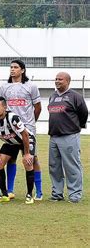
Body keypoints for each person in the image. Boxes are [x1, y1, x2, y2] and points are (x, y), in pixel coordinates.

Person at [0, 59, 42, 200]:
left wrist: (29, 124)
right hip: (11, 130)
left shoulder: (31, 86)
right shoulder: (5, 87)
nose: (12, 69)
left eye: (16, 67)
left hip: (27, 129)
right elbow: (2, 107)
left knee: (31, 158)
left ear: (22, 70)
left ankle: (39, 192)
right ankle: (10, 190)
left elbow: (38, 107)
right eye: (11, 67)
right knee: (10, 159)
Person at [0, 96, 37, 204]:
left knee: (27, 162)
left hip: (26, 140)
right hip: (10, 142)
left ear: (5, 107)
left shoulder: (13, 118)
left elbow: (24, 134)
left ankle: (29, 195)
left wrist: (27, 153)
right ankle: (5, 195)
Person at [48, 72, 88, 203]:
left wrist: (77, 127)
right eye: (56, 78)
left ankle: (75, 195)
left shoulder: (75, 96)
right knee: (54, 167)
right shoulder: (52, 96)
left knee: (71, 166)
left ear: (68, 81)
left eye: (60, 79)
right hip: (54, 136)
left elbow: (84, 113)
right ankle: (57, 194)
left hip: (69, 136)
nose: (57, 81)